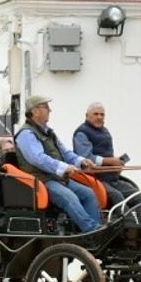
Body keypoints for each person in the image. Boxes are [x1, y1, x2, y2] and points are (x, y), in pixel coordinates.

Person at [15, 95, 121, 234]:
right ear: (35, 111)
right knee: (69, 198)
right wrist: (63, 167)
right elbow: (38, 158)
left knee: (89, 193)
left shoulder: (47, 131)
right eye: (46, 107)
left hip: (57, 178)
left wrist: (81, 161)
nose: (50, 110)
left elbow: (65, 152)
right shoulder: (26, 134)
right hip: (41, 180)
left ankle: (97, 229)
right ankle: (92, 231)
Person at [72, 102, 139, 208]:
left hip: (112, 178)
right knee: (117, 197)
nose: (99, 117)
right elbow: (86, 157)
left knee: (139, 196)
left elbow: (108, 155)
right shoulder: (81, 133)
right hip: (94, 180)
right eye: (96, 114)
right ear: (87, 116)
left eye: (102, 114)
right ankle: (126, 223)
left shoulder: (105, 131)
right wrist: (110, 161)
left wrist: (117, 165)